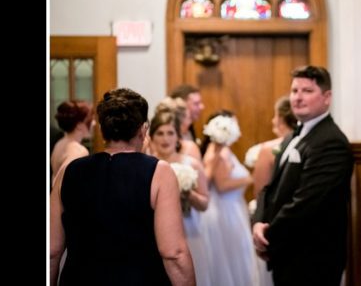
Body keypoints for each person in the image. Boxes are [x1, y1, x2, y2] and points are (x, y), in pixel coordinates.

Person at [50, 88, 195, 286]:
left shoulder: (67, 172)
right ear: (144, 130)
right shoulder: (158, 172)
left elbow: (51, 251)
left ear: (102, 130)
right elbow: (174, 253)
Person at [251, 66, 354, 285]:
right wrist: (258, 221)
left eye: (307, 91)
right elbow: (270, 188)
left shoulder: (331, 142)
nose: (297, 97)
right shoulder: (291, 138)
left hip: (313, 258)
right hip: (287, 252)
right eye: (294, 91)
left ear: (327, 97)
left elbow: (305, 203)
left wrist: (268, 238)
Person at [147, 110, 210, 286]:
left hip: (189, 230)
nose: (165, 139)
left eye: (170, 133)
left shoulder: (192, 164)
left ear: (178, 137)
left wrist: (187, 193)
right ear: (151, 137)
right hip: (154, 233)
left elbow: (205, 204)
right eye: (160, 133)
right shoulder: (146, 165)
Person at [200, 111, 258, 286]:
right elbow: (223, 185)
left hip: (231, 209)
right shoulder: (218, 152)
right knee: (230, 258)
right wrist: (251, 178)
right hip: (224, 212)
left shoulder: (222, 150)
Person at [245, 96, 295, 203]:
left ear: (281, 119)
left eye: (275, 116)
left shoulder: (268, 150)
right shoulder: (306, 143)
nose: (273, 120)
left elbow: (259, 192)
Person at [50, 100, 93, 181]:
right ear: (79, 125)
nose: (93, 123)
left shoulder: (60, 143)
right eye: (90, 120)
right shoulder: (79, 152)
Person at [169, 84, 204, 150]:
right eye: (196, 103)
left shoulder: (190, 128)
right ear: (181, 104)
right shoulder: (170, 132)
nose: (202, 107)